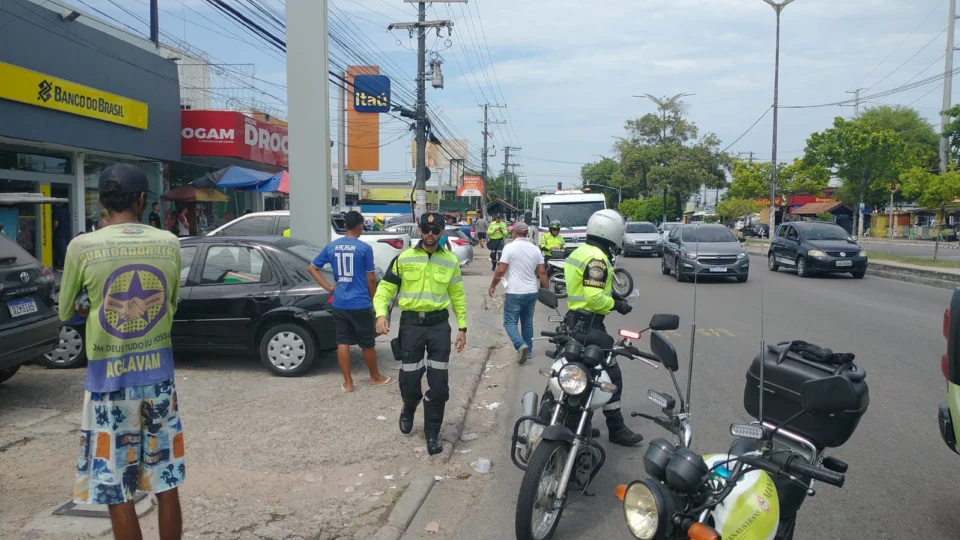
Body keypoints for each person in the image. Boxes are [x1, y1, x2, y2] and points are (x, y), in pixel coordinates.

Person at [58, 163, 185, 539]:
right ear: (142, 199)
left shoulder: (82, 246)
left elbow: (66, 311)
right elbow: (170, 305)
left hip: (108, 384)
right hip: (158, 380)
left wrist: (89, 302)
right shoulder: (169, 242)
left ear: (101, 201)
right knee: (167, 481)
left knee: (117, 488)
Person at [373, 212, 467, 455]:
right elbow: (385, 289)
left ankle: (432, 433)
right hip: (412, 326)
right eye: (426, 229)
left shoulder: (450, 261)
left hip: (438, 326)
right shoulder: (403, 258)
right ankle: (409, 406)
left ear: (442, 232)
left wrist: (462, 327)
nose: (430, 234)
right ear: (420, 229)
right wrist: (381, 315)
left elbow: (457, 295)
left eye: (435, 230)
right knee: (410, 379)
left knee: (439, 384)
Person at [563, 209, 644, 447]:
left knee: (579, 372)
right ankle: (616, 428)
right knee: (611, 374)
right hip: (590, 325)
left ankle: (580, 422)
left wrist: (612, 297)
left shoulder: (579, 251)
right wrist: (617, 304)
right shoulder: (597, 259)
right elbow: (595, 297)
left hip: (572, 321)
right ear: (611, 233)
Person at [308, 210, 395, 392]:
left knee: (343, 341)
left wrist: (329, 287)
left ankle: (348, 383)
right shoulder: (364, 249)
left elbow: (312, 268)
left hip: (339, 301)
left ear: (345, 225)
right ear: (360, 226)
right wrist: (374, 299)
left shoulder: (332, 246)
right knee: (367, 342)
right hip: (360, 302)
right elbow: (370, 278)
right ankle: (374, 377)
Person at [488, 222, 548, 365]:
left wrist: (493, 286)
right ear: (526, 233)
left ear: (514, 232)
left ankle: (520, 345)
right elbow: (541, 272)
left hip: (514, 292)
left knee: (509, 322)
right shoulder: (535, 249)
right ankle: (529, 350)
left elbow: (501, 270)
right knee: (527, 322)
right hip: (531, 291)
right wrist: (547, 290)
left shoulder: (509, 248)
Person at [52, 203, 71, 270]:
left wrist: (52, 230)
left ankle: (62, 266)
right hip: (67, 233)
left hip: (59, 233)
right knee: (66, 250)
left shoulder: (56, 211)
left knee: (60, 250)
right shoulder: (66, 211)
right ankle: (65, 265)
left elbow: (56, 224)